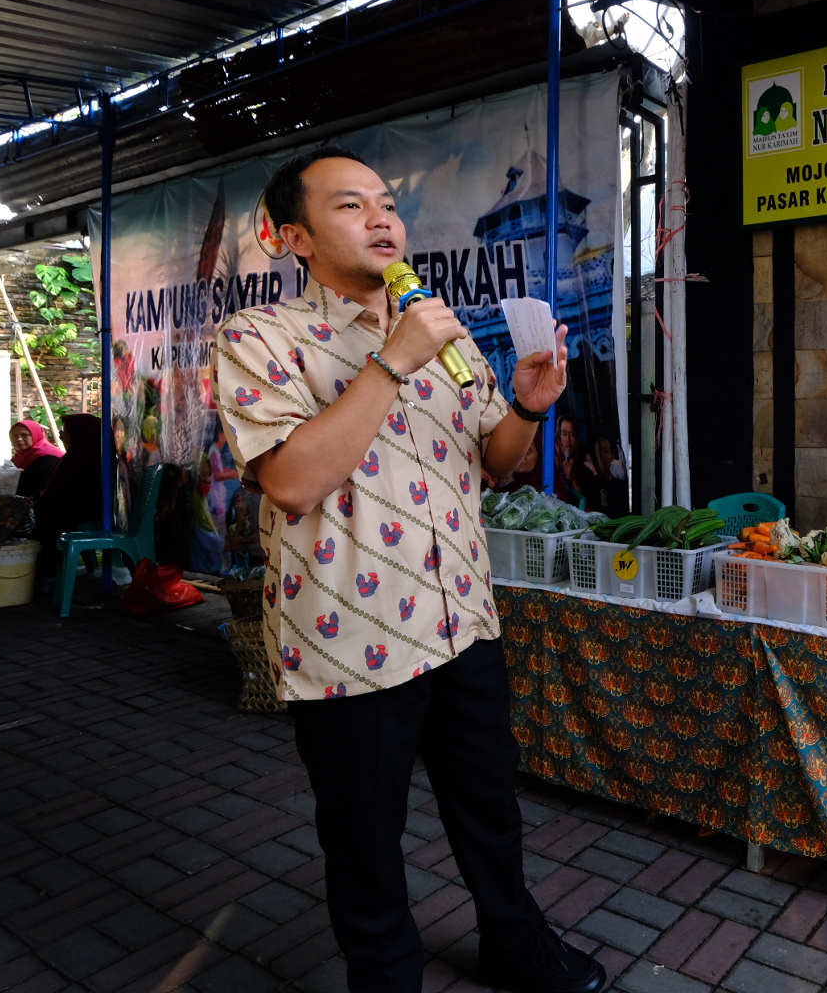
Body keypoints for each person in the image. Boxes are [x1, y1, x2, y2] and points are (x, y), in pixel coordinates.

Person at [214, 146, 601, 993]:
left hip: (462, 619)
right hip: (350, 640)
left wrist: (532, 404)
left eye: (387, 203)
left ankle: (513, 941)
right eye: (351, 206)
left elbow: (496, 460)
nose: (382, 217)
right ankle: (385, 976)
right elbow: (290, 481)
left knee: (490, 810)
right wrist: (392, 360)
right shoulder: (259, 338)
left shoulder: (438, 327)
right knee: (363, 835)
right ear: (294, 238)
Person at [32, 414, 108, 585]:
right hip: (68, 508)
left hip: (83, 512)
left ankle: (44, 573)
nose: (60, 434)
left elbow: (84, 499)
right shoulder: (76, 455)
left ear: (80, 432)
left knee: (39, 519)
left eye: (65, 430)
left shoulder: (96, 461)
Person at [9, 419, 63, 497]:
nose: (19, 439)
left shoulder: (47, 457)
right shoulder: (20, 456)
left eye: (24, 435)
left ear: (36, 435)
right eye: (14, 436)